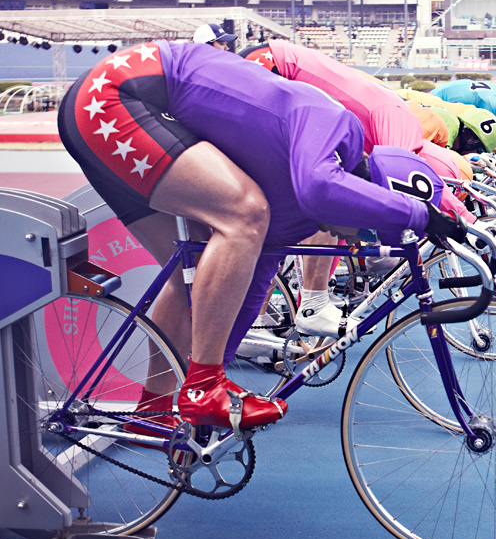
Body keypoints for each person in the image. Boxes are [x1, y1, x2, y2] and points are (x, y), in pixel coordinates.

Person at [57, 41, 464, 433]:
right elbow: (321, 187)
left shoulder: (297, 204)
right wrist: (415, 213)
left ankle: (155, 408)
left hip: (110, 105)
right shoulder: (337, 124)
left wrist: (216, 358)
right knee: (246, 213)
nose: (354, 239)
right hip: (119, 92)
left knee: (197, 271)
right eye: (368, 222)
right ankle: (203, 387)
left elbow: (253, 288)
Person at [238, 42, 477, 337]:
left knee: (326, 200)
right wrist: (457, 219)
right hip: (274, 66)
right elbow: (396, 185)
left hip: (280, 70)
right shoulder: (401, 125)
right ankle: (306, 304)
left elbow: (421, 187)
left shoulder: (411, 139)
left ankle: (292, 304)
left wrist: (459, 216)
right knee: (326, 199)